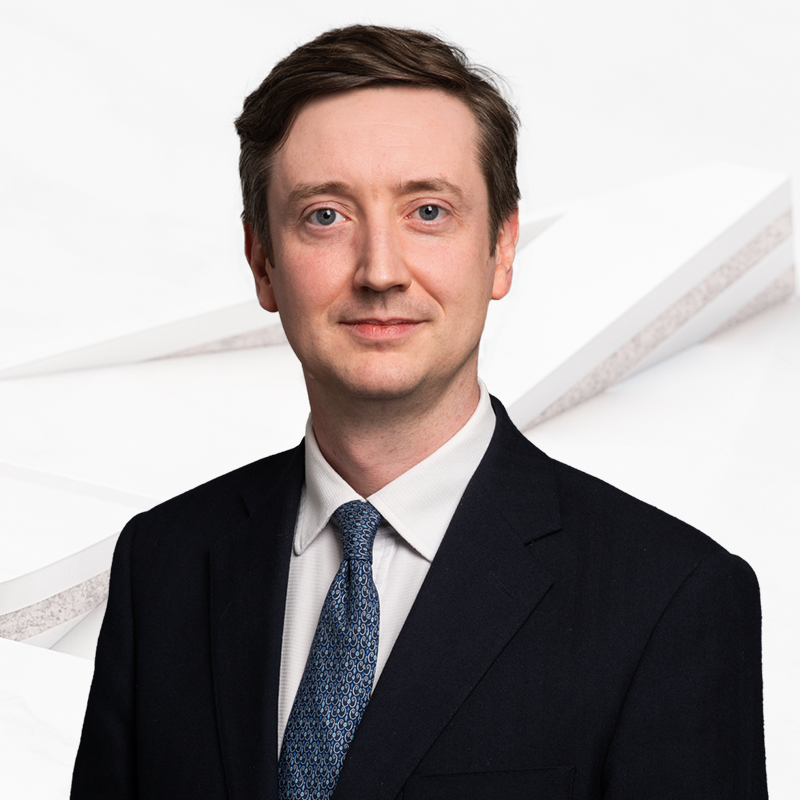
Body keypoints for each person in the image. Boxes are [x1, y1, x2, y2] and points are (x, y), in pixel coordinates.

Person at [71, 25, 768, 800]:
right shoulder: (163, 564)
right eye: (325, 216)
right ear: (262, 260)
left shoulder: (670, 597)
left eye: (428, 211)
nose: (380, 271)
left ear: (502, 248)